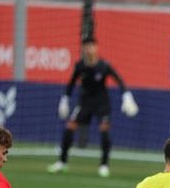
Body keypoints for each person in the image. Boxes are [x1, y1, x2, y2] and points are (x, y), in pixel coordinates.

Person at [48, 36, 138, 177]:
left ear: (96, 48)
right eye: (86, 47)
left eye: (92, 46)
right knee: (70, 127)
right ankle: (62, 163)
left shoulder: (104, 66)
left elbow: (120, 81)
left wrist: (127, 96)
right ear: (83, 49)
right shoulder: (80, 66)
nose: (89, 49)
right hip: (84, 104)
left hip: (102, 104)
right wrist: (64, 99)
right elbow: (71, 84)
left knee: (104, 132)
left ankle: (104, 165)